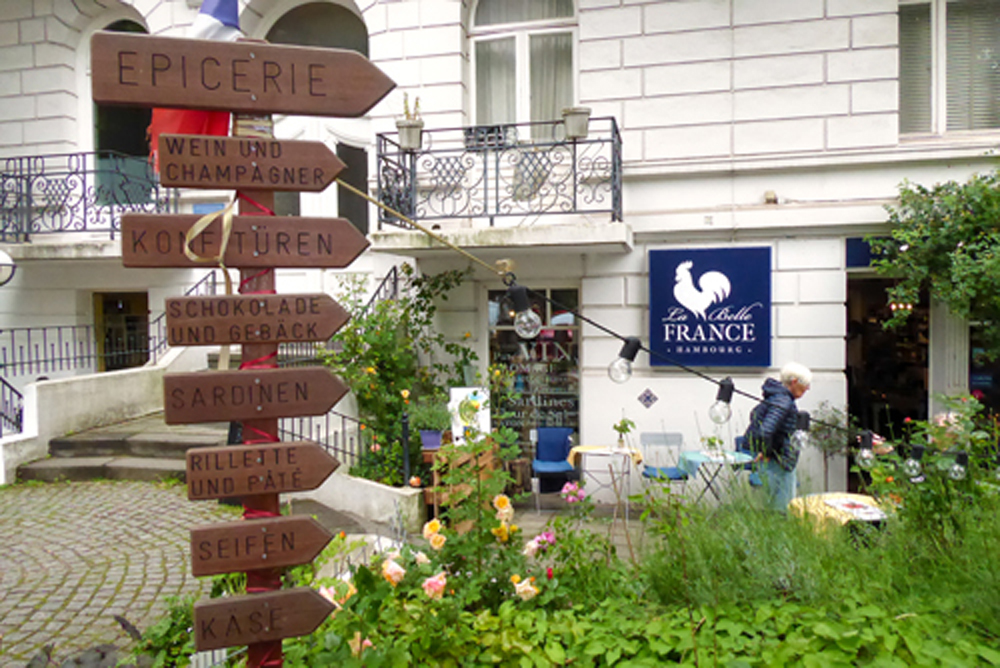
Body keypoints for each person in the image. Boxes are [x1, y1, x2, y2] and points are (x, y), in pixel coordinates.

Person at [743, 362, 812, 512]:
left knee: (770, 507)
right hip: (778, 462)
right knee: (782, 509)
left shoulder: (775, 397)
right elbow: (765, 430)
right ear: (794, 382)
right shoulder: (783, 401)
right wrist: (767, 453)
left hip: (775, 459)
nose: (807, 389)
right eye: (806, 385)